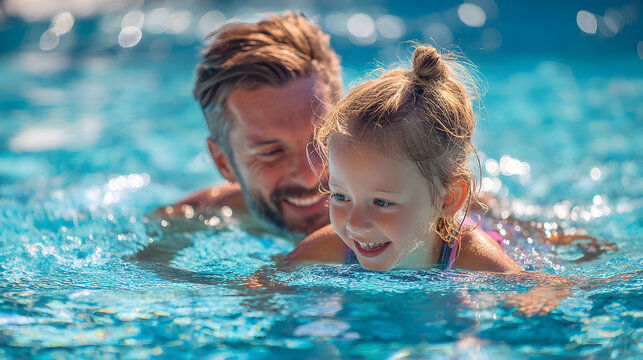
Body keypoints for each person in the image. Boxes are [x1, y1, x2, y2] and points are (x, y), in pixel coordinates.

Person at [286, 45, 521, 272]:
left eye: (381, 202)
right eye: (340, 196)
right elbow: (266, 283)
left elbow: (542, 290)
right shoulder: (335, 246)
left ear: (447, 200)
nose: (355, 224)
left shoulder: (472, 256)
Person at [160, 12, 342, 240]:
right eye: (272, 152)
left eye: (323, 140)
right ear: (224, 163)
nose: (310, 176)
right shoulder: (180, 225)